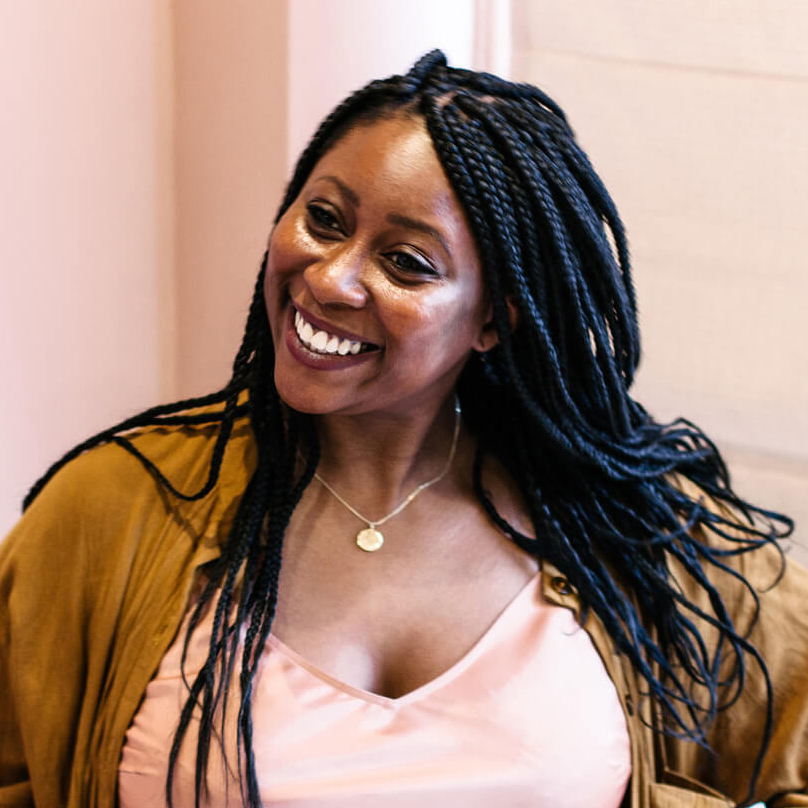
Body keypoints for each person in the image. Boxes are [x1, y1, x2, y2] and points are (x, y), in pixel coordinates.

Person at [0, 50, 805, 808]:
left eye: (406, 263)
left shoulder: (625, 532)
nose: (331, 277)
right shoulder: (114, 510)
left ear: (494, 319)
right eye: (322, 218)